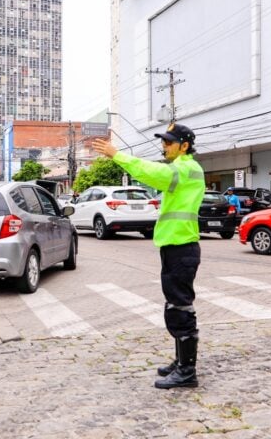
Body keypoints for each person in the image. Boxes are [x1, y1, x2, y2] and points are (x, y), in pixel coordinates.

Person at [93, 123, 204, 389]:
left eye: (169, 142)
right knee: (175, 305)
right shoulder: (184, 169)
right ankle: (181, 361)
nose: (164, 146)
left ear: (184, 146)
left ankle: (187, 371)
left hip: (181, 247)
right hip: (175, 245)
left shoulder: (185, 168)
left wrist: (117, 154)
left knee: (180, 307)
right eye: (163, 141)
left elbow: (150, 172)